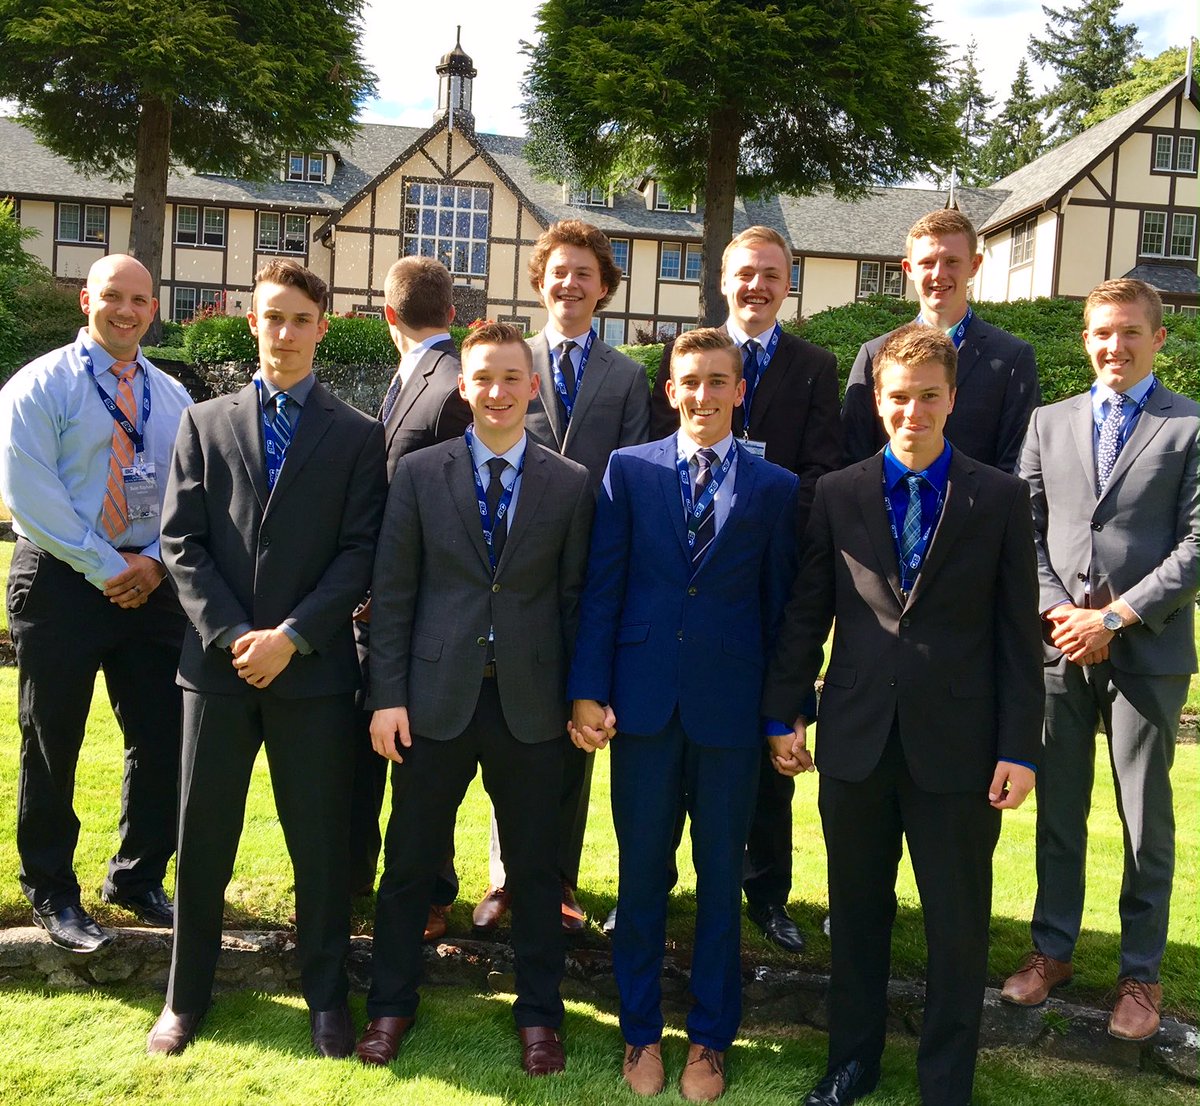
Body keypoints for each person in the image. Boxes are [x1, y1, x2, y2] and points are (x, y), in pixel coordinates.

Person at [762, 323, 1043, 1106]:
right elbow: (807, 611)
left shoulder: (998, 497)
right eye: (898, 398)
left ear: (952, 399)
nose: (912, 412)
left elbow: (1020, 636)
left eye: (928, 397)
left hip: (958, 746)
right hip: (855, 742)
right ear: (877, 401)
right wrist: (786, 711)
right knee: (856, 916)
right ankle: (851, 1062)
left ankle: (945, 1080)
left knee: (957, 925)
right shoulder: (842, 492)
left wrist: (1019, 748)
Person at [148, 259, 387, 1057]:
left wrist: (291, 637)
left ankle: (326, 999)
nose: (283, 333)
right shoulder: (204, 423)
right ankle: (184, 999)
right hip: (215, 671)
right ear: (251, 322)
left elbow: (360, 553)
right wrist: (231, 634)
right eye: (271, 317)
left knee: (320, 843)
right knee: (202, 835)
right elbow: (179, 542)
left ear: (324, 327)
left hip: (312, 673)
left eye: (299, 320)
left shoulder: (358, 435)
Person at [569, 328, 800, 1101]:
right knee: (640, 880)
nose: (702, 395)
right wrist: (589, 690)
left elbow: (784, 615)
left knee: (717, 882)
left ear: (740, 390)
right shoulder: (628, 472)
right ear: (670, 391)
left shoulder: (776, 489)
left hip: (729, 712)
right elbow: (603, 589)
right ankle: (640, 1033)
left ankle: (709, 1038)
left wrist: (783, 714)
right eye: (689, 382)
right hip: (641, 706)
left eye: (717, 381)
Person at [357, 322, 593, 1076]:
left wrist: (579, 697)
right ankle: (390, 1007)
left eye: (510, 378)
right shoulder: (421, 474)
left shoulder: (569, 482)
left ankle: (540, 1018)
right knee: (409, 864)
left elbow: (576, 601)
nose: (495, 391)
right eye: (482, 378)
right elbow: (392, 594)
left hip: (530, 705)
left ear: (532, 387)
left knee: (533, 871)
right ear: (465, 387)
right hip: (432, 700)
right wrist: (386, 694)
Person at [1000, 279, 1199, 1042]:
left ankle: (1140, 976)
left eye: (1128, 333)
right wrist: (1061, 613)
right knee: (1060, 810)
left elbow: (1197, 544)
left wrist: (1114, 617)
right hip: (1060, 647)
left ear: (1157, 340)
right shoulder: (1050, 422)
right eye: (1101, 333)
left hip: (1145, 652)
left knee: (1145, 820)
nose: (1113, 346)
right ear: (1086, 339)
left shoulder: (1188, 427)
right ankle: (1052, 951)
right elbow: (1027, 523)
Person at [644, 225, 841, 952]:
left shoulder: (817, 367)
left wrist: (755, 511)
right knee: (662, 746)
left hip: (771, 568)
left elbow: (825, 467)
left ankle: (767, 895)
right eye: (744, 273)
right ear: (724, 280)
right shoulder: (681, 357)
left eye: (771, 274)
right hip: (686, 577)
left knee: (769, 742)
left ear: (787, 283)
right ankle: (651, 889)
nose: (756, 286)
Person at [0, 254, 191, 953]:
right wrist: (113, 568)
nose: (127, 311)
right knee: (53, 741)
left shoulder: (174, 398)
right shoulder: (38, 387)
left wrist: (155, 565)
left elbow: (191, 497)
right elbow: (31, 495)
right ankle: (51, 890)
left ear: (153, 307)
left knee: (163, 735)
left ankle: (137, 879)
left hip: (150, 583)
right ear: (87, 299)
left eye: (140, 299)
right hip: (60, 582)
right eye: (113, 296)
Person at [473, 219, 650, 935]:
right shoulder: (514, 362)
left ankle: (560, 882)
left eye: (585, 273)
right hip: (512, 575)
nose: (570, 284)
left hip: (591, 578)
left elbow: (636, 473)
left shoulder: (629, 376)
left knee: (572, 732)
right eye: (558, 271)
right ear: (539, 280)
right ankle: (505, 882)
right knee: (508, 728)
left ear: (603, 287)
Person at [347, 256, 470, 942]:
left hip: (429, 610)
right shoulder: (411, 381)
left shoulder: (452, 388)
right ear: (450, 313)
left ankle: (431, 887)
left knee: (427, 764)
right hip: (383, 605)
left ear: (386, 316)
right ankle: (368, 873)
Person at [841, 208, 1040, 474]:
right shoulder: (874, 354)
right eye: (927, 262)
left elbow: (1018, 462)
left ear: (974, 265)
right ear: (908, 269)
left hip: (978, 512)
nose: (938, 274)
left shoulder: (1012, 359)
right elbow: (853, 457)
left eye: (951, 261)